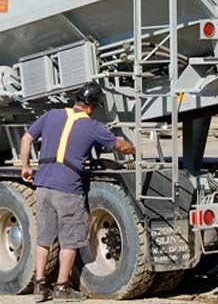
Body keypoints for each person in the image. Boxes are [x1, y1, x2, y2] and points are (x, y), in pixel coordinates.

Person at [19, 83, 136, 302]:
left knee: (44, 238)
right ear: (92, 107)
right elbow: (119, 146)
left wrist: (25, 167)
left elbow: (26, 138)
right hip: (68, 189)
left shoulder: (52, 115)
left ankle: (40, 284)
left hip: (43, 186)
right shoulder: (93, 126)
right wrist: (134, 149)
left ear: (76, 100)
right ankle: (62, 287)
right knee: (69, 240)